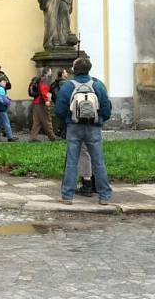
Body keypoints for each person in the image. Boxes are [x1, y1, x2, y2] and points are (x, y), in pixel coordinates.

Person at [55, 56, 113, 205]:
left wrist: (69, 120)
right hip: (93, 127)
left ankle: (67, 196)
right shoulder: (98, 85)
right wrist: (99, 120)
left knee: (72, 162)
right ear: (89, 69)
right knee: (98, 161)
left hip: (74, 127)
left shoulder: (68, 86)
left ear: (75, 70)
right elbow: (106, 108)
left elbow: (59, 109)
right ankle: (104, 196)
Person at [29, 67, 58, 142]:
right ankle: (52, 137)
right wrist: (46, 100)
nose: (51, 73)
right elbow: (43, 90)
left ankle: (33, 138)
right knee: (47, 120)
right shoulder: (45, 79)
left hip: (36, 102)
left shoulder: (39, 78)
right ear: (48, 72)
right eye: (50, 71)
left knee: (37, 122)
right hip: (41, 103)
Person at [0, 77, 17, 142]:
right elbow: (1, 99)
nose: (5, 83)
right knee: (6, 122)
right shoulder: (1, 89)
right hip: (1, 108)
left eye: (5, 82)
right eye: (3, 82)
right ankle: (10, 137)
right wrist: (8, 102)